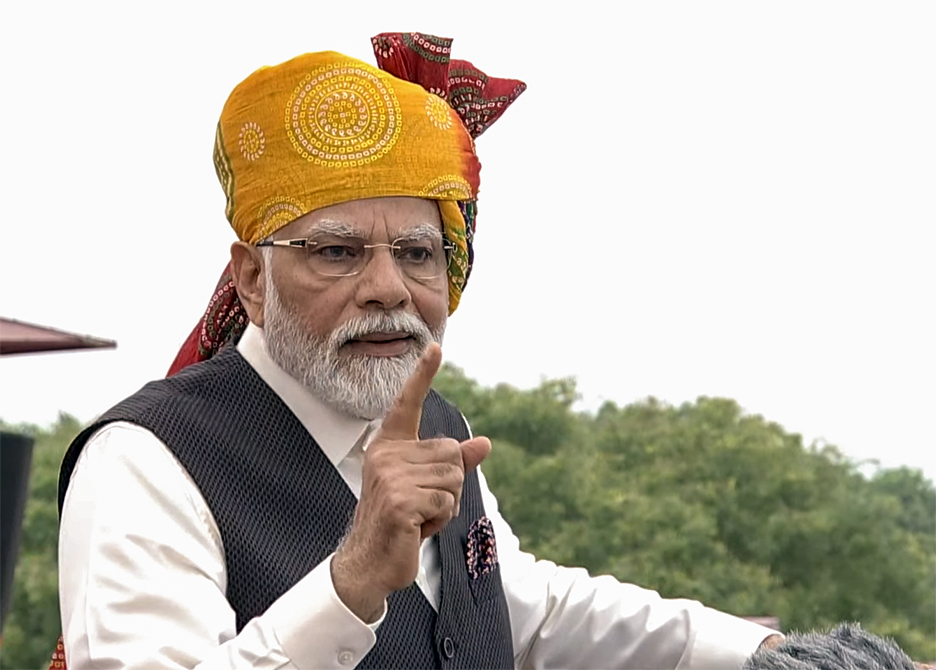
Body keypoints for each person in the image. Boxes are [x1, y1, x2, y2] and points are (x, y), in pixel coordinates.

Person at [56, 32, 782, 669]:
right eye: (336, 252)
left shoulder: (443, 428)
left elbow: (527, 615)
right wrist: (351, 583)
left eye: (416, 253)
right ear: (252, 278)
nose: (387, 288)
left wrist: (770, 656)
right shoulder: (146, 461)